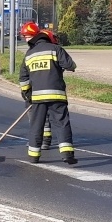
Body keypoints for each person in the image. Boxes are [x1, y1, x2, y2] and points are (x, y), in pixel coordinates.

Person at [19, 22, 78, 164]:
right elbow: (71, 65)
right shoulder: (56, 49)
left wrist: (26, 92)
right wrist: (58, 67)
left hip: (37, 97)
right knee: (61, 123)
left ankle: (33, 156)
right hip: (57, 95)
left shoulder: (29, 54)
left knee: (36, 125)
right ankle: (67, 154)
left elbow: (23, 77)